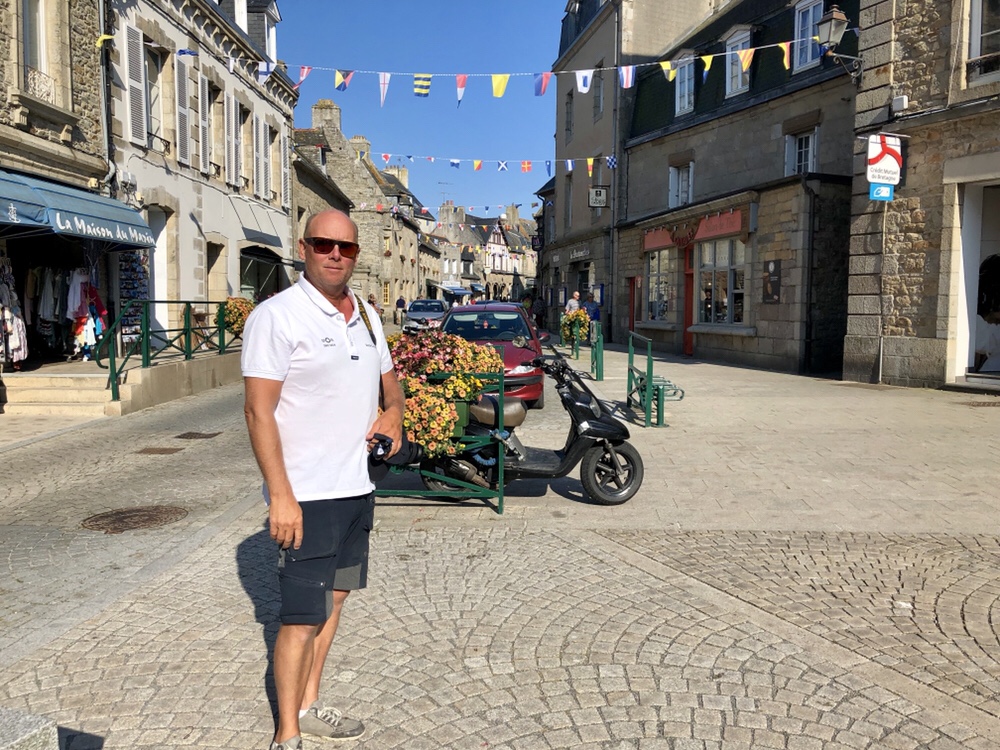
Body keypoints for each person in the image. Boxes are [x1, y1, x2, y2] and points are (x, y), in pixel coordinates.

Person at [242, 209, 405, 750]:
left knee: (334, 602)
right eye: (323, 244)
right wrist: (281, 496)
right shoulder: (277, 316)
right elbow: (257, 412)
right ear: (303, 247)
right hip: (307, 495)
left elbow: (391, 385)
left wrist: (393, 415)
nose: (336, 254)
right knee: (300, 617)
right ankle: (286, 735)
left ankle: (309, 706)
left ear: (357, 254)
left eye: (347, 247)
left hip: (357, 487)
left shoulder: (367, 315)